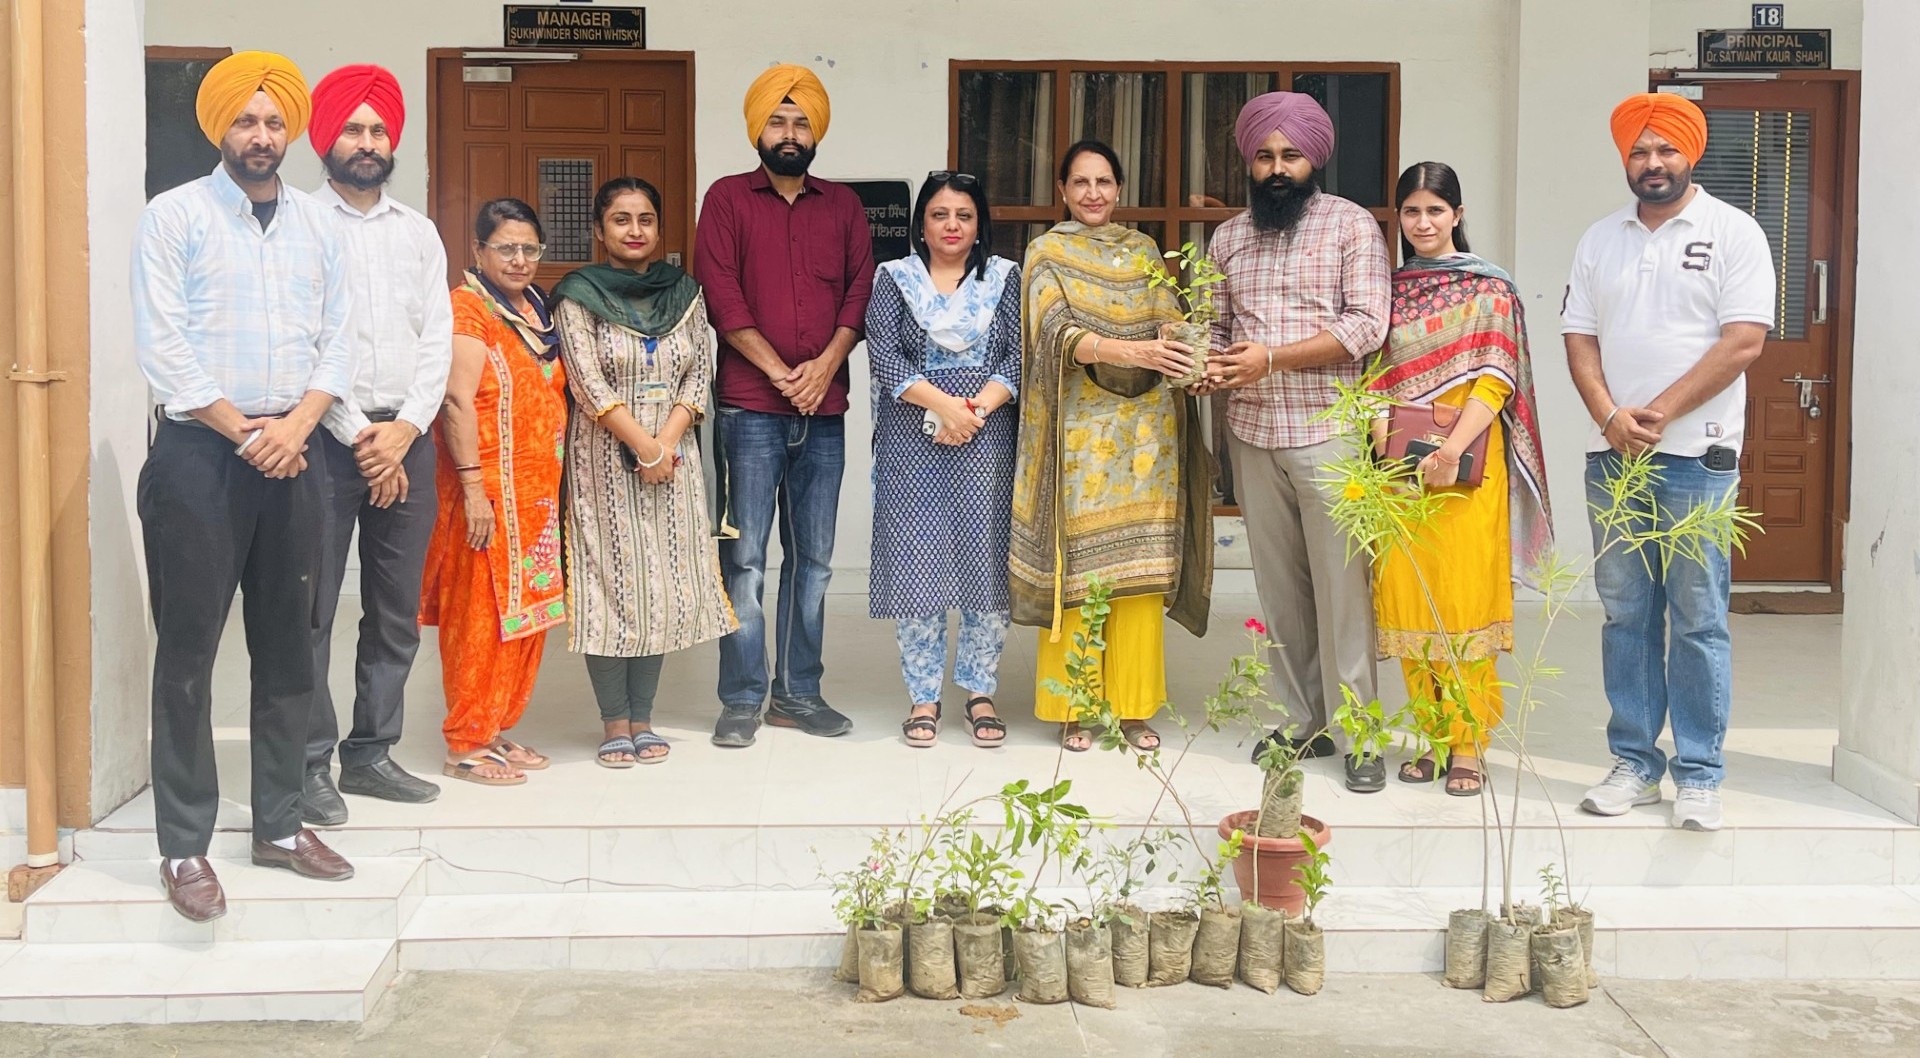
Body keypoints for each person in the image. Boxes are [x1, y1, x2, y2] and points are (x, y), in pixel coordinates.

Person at [133, 51, 357, 922]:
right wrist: (247, 433)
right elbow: (164, 346)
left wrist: (297, 428)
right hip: (199, 456)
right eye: (245, 121)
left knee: (292, 646)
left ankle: (281, 824)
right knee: (188, 651)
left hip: (295, 455)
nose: (260, 137)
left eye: (273, 123)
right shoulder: (175, 217)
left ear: (291, 131)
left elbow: (338, 341)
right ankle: (185, 843)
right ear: (218, 127)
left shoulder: (317, 225)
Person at [1565, 94, 1774, 832]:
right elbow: (1580, 339)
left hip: (1699, 456)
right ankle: (1633, 763)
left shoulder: (1734, 232)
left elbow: (1743, 340)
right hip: (1613, 457)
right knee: (1626, 615)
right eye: (1638, 152)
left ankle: (1700, 772)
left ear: (1692, 154)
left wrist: (1661, 410)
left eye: (1665, 151)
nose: (1652, 164)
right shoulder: (1600, 239)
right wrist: (1610, 416)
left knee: (1697, 618)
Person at [1205, 93, 1390, 785]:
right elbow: (1219, 329)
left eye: (1290, 155)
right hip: (1252, 434)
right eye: (1264, 155)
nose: (1277, 168)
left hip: (1330, 433)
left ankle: (1362, 734)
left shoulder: (1350, 227)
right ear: (1248, 161)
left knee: (1345, 592)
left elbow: (1366, 326)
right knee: (1280, 591)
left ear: (1316, 157)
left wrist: (1272, 358)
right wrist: (1211, 365)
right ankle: (1303, 721)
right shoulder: (1226, 238)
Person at [693, 64, 875, 748]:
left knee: (816, 560)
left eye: (801, 122)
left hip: (824, 415)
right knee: (744, 560)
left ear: (815, 131)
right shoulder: (727, 201)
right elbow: (722, 297)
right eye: (778, 120)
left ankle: (799, 693)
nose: (790, 133)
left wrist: (824, 366)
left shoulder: (845, 207)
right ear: (758, 130)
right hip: (748, 412)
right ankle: (742, 696)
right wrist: (781, 373)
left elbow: (859, 293)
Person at [1010, 140, 1213, 752]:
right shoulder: (1046, 252)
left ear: (1119, 189)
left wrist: (1186, 348)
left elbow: (1165, 314)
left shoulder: (1143, 250)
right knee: (1081, 573)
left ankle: (1132, 707)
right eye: (1081, 182)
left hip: (1147, 433)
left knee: (1141, 574)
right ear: (1064, 192)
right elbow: (1052, 331)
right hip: (1080, 435)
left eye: (1104, 181)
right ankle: (1077, 707)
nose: (1093, 193)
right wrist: (1130, 350)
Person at [1369, 162, 1554, 797]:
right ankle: (1427, 735)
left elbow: (1496, 378)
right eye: (1412, 212)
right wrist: (1383, 447)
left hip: (1470, 467)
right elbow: (1375, 376)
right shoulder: (1386, 291)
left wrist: (1450, 448)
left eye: (1435, 211)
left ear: (1457, 214)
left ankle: (1468, 744)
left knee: (1462, 603)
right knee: (1412, 598)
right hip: (1401, 469)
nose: (1422, 224)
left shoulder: (1490, 291)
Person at [299, 64, 451, 825]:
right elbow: (306, 343)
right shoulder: (297, 224)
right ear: (325, 138)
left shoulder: (417, 231)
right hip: (326, 443)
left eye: (378, 130)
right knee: (313, 606)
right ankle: (307, 765)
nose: (367, 142)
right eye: (353, 129)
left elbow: (438, 341)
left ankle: (370, 753)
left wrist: (406, 432)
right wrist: (364, 437)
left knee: (394, 609)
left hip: (408, 437)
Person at [555, 177, 738, 767]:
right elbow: (586, 381)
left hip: (672, 460)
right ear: (599, 230)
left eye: (645, 220)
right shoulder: (578, 295)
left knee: (656, 584)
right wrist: (644, 447)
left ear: (659, 229)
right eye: (620, 220)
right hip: (605, 462)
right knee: (612, 586)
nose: (635, 231)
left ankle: (644, 717)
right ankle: (613, 720)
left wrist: (665, 443)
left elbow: (697, 373)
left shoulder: (685, 293)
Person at [866, 171, 1021, 748]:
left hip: (988, 433)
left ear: (979, 225)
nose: (952, 226)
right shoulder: (893, 279)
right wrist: (942, 408)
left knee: (984, 558)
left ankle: (980, 691)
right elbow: (883, 354)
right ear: (921, 224)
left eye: (964, 215)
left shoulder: (1006, 279)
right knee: (918, 561)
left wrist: (973, 410)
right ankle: (923, 695)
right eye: (939, 215)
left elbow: (1017, 355)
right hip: (912, 436)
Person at [418, 198, 569, 786]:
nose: (520, 259)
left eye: (530, 248)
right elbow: (455, 400)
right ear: (478, 251)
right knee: (480, 617)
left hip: (535, 500)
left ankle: (496, 728)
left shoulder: (534, 308)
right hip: (482, 496)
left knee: (525, 620)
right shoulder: (468, 308)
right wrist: (473, 488)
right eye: (506, 247)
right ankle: (466, 742)